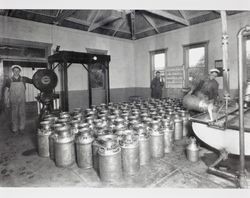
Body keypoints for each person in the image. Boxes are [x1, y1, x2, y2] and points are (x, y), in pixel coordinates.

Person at [4, 65, 33, 134]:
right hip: (13, 100)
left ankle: (21, 127)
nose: (16, 72)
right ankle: (15, 128)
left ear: (20, 71)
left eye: (17, 70)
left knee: (22, 113)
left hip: (22, 99)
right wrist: (6, 100)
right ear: (13, 71)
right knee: (14, 114)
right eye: (15, 70)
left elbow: (33, 81)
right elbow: (6, 91)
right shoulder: (9, 80)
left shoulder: (23, 79)